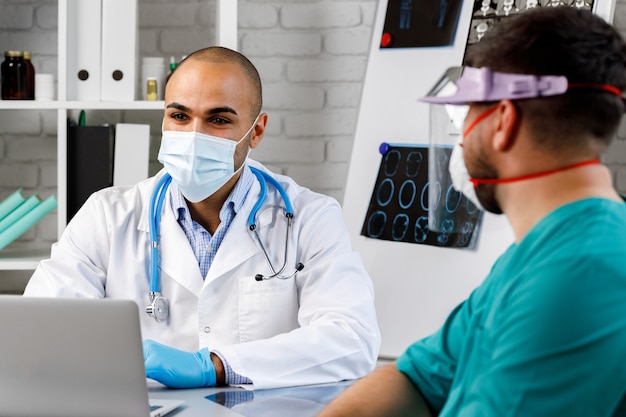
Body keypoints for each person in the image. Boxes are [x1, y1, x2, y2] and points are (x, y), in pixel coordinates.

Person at [318, 7, 626, 417]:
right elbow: (418, 379)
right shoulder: (534, 255)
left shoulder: (584, 271)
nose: (460, 138)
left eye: (466, 115)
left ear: (502, 121)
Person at [24, 46, 380, 390]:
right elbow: (40, 329)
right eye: (179, 116)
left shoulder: (309, 217)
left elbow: (352, 338)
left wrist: (215, 366)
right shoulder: (106, 215)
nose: (194, 135)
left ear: (256, 131)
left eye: (219, 119)